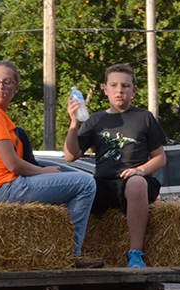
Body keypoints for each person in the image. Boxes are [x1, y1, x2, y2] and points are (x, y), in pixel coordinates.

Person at [0, 61, 97, 266]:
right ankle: (71, 254)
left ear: (16, 88)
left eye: (7, 82)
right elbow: (13, 165)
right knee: (86, 183)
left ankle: (51, 250)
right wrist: (44, 171)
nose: (1, 86)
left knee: (65, 183)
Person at [64, 64, 167, 269]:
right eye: (114, 85)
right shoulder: (95, 120)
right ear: (105, 89)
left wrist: (141, 170)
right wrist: (74, 123)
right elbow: (70, 155)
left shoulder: (144, 117)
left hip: (137, 182)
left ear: (134, 90)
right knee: (74, 186)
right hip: (104, 182)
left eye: (125, 86)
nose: (119, 90)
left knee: (136, 182)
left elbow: (160, 158)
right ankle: (70, 254)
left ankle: (135, 254)